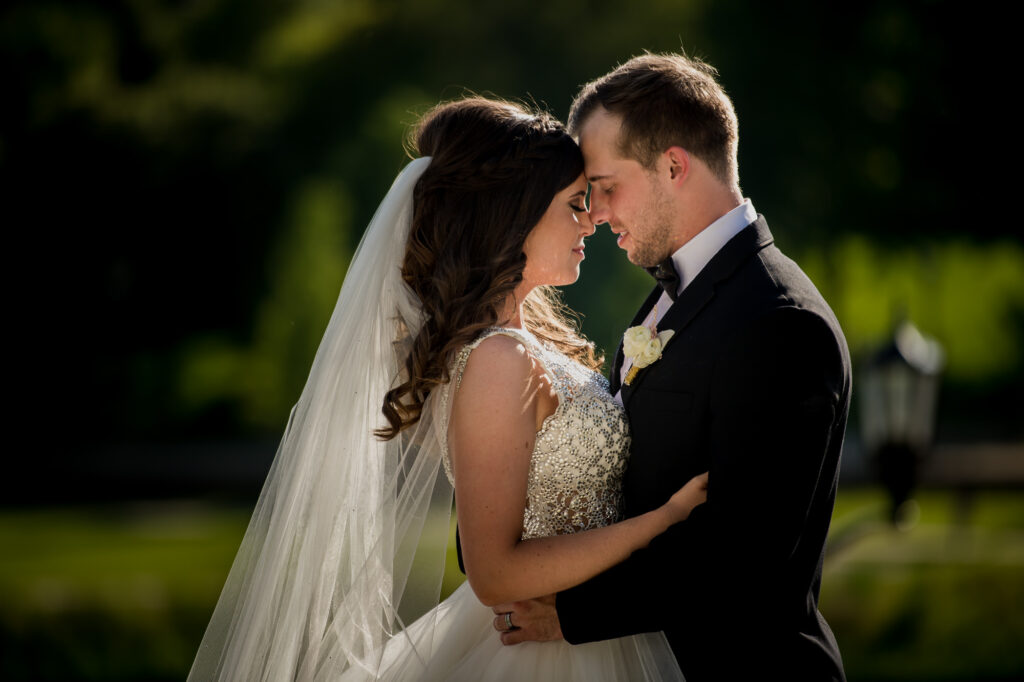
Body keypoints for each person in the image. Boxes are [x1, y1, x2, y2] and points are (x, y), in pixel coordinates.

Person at [187, 96, 708, 681]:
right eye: (572, 204)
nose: (589, 219)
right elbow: (494, 573)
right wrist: (660, 523)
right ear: (513, 217)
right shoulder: (497, 359)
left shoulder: (520, 342)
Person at [495, 53, 852, 682]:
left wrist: (572, 614)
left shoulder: (780, 321)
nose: (596, 212)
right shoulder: (672, 291)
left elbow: (745, 554)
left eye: (606, 186)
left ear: (674, 165)